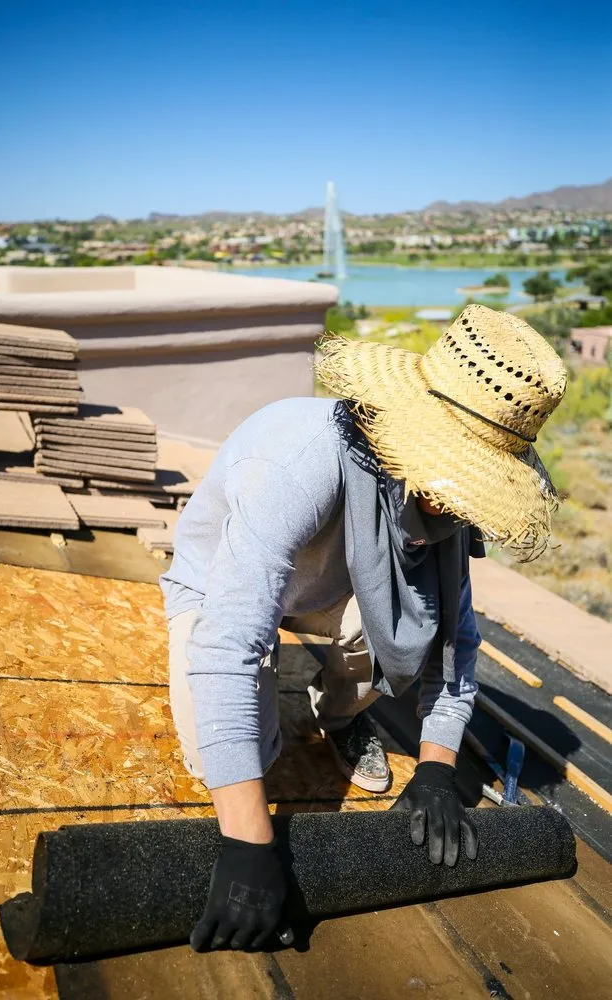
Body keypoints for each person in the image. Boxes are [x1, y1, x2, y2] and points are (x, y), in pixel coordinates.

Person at [160, 303, 567, 952]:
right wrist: (245, 843)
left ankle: (342, 717)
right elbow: (232, 637)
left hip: (334, 588)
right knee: (232, 754)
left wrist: (436, 766)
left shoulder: (443, 507)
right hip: (222, 592)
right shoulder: (301, 459)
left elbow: (457, 641)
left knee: (414, 625)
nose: (456, 502)